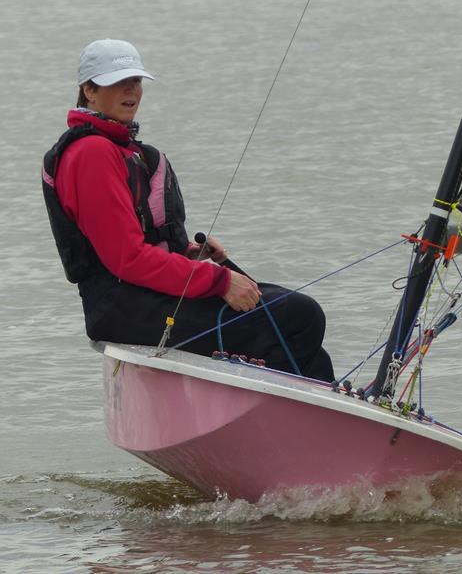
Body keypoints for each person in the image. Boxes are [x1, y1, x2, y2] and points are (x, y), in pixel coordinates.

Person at [42, 39, 334, 382]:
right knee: (298, 316)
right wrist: (219, 280)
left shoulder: (125, 149)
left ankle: (331, 419)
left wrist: (187, 253)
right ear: (89, 90)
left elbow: (133, 243)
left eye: (135, 80)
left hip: (144, 297)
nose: (131, 90)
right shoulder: (92, 152)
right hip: (123, 308)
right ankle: (277, 422)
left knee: (290, 314)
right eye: (117, 82)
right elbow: (126, 259)